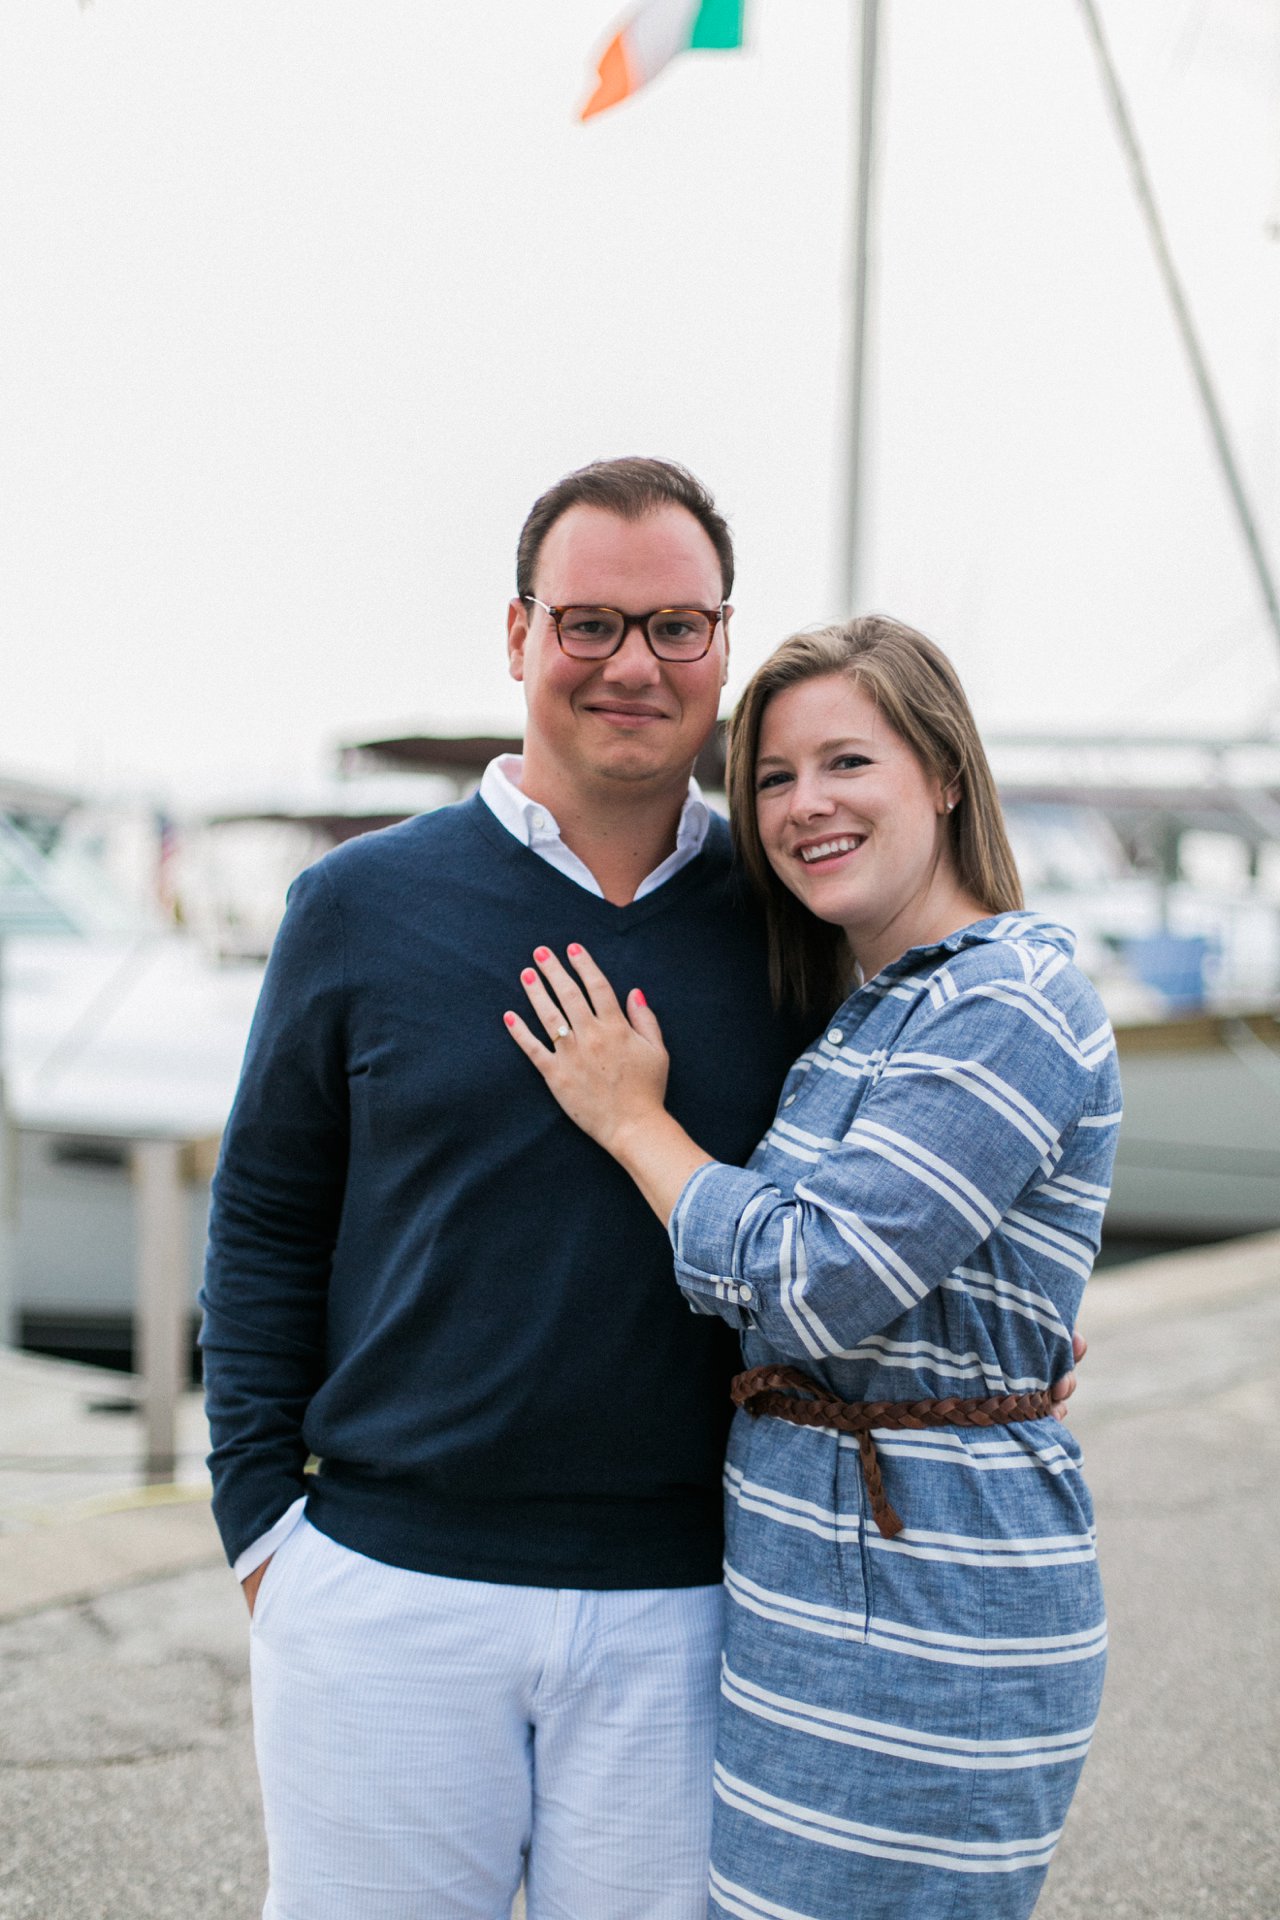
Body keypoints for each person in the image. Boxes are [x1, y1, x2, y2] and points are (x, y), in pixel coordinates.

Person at [199, 457, 814, 1920]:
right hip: (386, 1595)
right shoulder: (357, 904)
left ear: (723, 644)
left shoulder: (790, 927)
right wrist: (261, 1537)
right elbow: (265, 1219)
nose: (633, 665)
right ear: (520, 634)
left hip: (691, 1607)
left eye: (677, 626)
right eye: (591, 622)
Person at [504, 615, 1118, 1920]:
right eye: (774, 778)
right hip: (812, 1617)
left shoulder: (1008, 993)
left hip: (933, 1619)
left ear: (945, 774)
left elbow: (817, 1282)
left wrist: (632, 1122)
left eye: (849, 762)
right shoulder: (866, 1010)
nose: (805, 805)